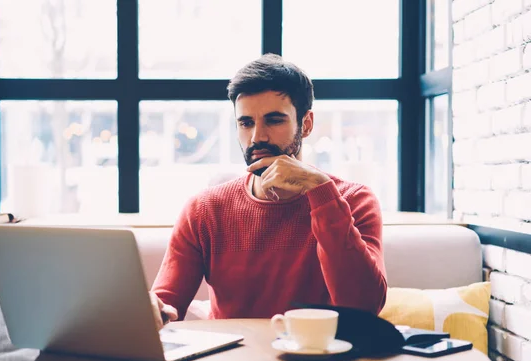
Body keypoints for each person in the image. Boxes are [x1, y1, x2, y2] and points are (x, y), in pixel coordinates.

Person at [149, 54, 387, 329]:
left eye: (274, 121)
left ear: (306, 124)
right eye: (246, 123)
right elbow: (166, 305)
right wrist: (151, 308)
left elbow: (364, 308)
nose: (257, 137)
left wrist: (322, 193)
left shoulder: (354, 201)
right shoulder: (204, 210)